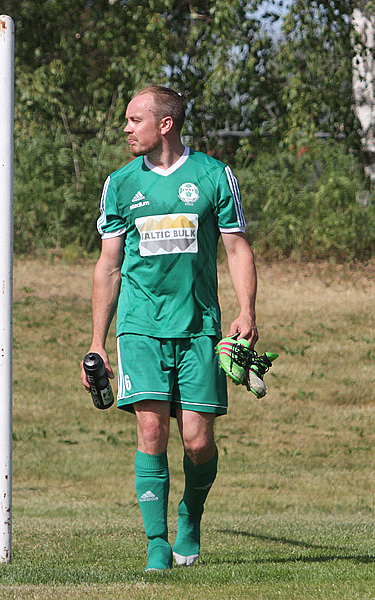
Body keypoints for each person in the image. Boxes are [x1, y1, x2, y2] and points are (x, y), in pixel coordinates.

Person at [81, 85, 258, 571]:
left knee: (198, 442)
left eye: (135, 119)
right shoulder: (119, 184)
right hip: (140, 327)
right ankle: (156, 543)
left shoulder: (213, 176)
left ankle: (190, 519)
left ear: (166, 124)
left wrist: (247, 312)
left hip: (199, 326)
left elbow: (237, 247)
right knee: (152, 427)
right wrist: (98, 342)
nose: (125, 128)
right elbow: (109, 267)